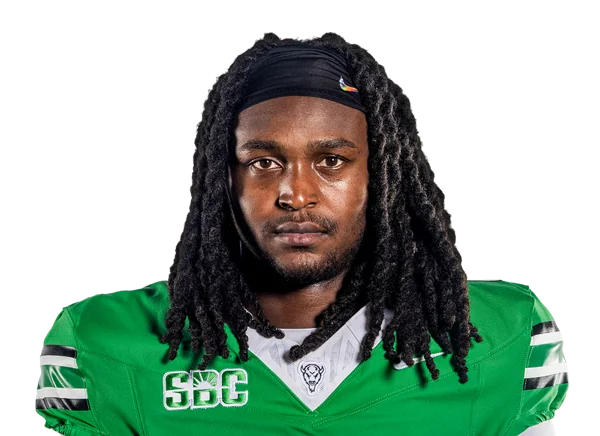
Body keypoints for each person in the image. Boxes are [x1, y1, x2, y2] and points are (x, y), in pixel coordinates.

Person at [35, 32, 568, 435]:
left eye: (332, 160)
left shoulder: (501, 336)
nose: (296, 194)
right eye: (264, 162)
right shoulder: (108, 342)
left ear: (382, 176)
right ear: (224, 179)